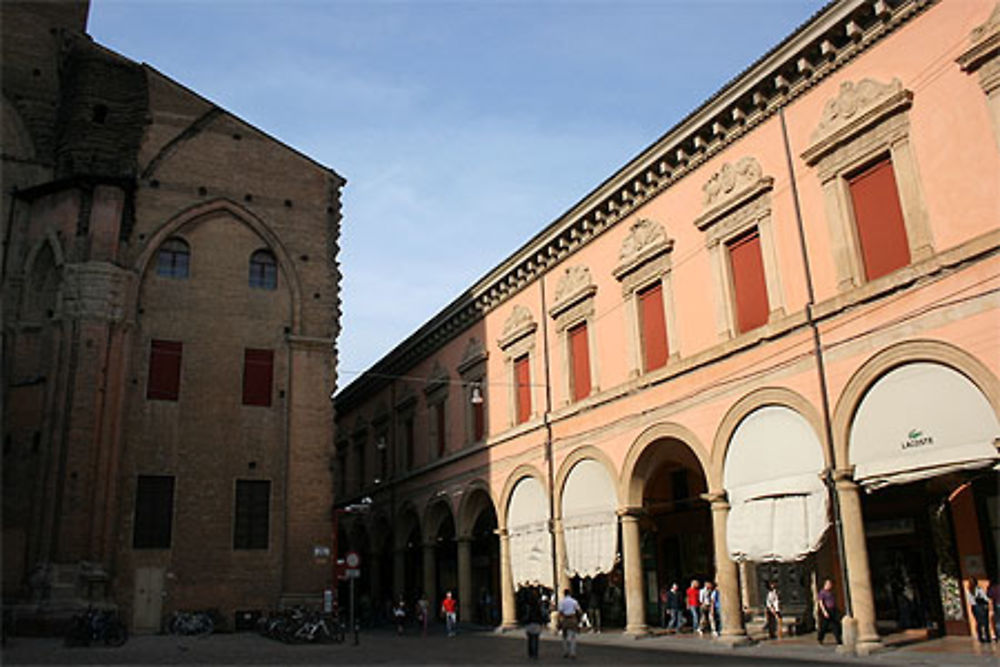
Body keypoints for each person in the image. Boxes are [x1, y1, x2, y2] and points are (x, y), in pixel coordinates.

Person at [557, 588, 582, 659]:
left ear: (564, 594)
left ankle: (565, 651)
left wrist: (559, 621)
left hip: (565, 619)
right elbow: (579, 611)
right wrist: (579, 619)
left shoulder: (561, 602)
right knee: (573, 637)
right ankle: (572, 652)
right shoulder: (574, 601)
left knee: (564, 636)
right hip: (572, 618)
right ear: (570, 593)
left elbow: (560, 612)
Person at [816, 578, 842, 645]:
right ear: (825, 584)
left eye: (830, 584)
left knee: (835, 625)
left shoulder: (831, 592)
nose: (830, 585)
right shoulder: (822, 592)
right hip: (826, 610)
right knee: (824, 626)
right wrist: (824, 611)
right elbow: (821, 602)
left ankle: (838, 639)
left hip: (832, 609)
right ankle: (820, 638)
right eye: (828, 584)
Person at [967, 577, 991, 643]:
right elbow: (986, 598)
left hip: (974, 607)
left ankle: (980, 637)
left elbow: (970, 601)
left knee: (978, 622)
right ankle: (987, 637)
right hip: (981, 606)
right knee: (985, 622)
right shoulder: (979, 589)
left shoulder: (969, 590)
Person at [523, 588, 545, 660]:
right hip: (536, 622)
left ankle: (531, 653)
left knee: (530, 639)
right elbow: (542, 614)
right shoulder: (539, 605)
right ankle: (535, 654)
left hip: (529, 622)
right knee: (535, 639)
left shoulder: (527, 606)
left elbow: (525, 614)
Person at [988, 578, 1000, 643]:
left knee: (998, 622)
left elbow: (990, 598)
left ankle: (998, 636)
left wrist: (991, 609)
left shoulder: (993, 588)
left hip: (997, 605)